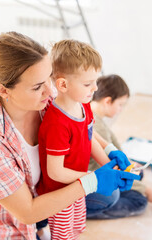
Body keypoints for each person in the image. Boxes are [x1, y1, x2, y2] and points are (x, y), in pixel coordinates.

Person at [0, 32, 140, 239]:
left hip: (44, 196)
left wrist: (110, 149)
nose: (50, 91)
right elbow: (26, 213)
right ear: (3, 90)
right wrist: (92, 181)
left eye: (49, 78)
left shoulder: (48, 102)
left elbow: (83, 129)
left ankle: (49, 223)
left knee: (109, 196)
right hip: (11, 227)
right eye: (37, 86)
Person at [35, 39, 124, 240]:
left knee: (75, 230)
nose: (95, 88)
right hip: (60, 193)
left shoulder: (82, 105)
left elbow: (89, 138)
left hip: (78, 185)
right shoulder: (57, 123)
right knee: (63, 236)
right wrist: (93, 177)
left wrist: (109, 164)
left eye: (96, 81)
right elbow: (55, 172)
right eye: (87, 83)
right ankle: (40, 231)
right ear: (63, 84)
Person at [86, 74, 152, 219]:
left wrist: (130, 165)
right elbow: (109, 170)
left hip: (104, 169)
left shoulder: (95, 117)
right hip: (97, 176)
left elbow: (113, 150)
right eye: (120, 105)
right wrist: (146, 190)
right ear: (108, 101)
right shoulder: (97, 125)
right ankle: (87, 211)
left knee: (139, 173)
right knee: (139, 201)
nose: (121, 110)